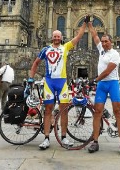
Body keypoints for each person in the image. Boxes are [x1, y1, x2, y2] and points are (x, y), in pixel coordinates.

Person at [28, 20, 87, 150]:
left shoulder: (65, 47)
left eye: (58, 36)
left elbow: (78, 37)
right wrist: (30, 79)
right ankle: (46, 138)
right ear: (52, 38)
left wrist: (84, 24)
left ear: (61, 38)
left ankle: (64, 137)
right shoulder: (46, 49)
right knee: (48, 110)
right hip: (49, 82)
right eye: (54, 36)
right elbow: (36, 63)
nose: (56, 38)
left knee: (64, 110)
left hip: (62, 83)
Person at [87, 20, 120, 155]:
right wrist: (89, 24)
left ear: (111, 42)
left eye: (106, 41)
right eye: (103, 41)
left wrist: (95, 80)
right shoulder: (101, 51)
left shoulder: (115, 54)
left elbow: (107, 71)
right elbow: (94, 36)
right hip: (102, 86)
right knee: (97, 112)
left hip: (112, 83)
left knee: (117, 112)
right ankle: (95, 141)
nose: (103, 43)